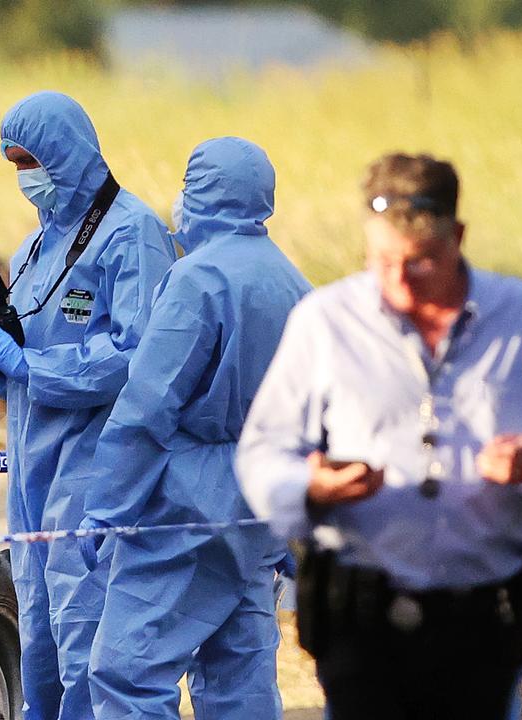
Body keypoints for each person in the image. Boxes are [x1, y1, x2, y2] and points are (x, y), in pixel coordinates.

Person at [236, 153, 522, 720]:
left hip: (486, 614)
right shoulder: (324, 321)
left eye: (421, 262)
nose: (399, 284)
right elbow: (263, 454)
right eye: (381, 261)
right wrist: (310, 485)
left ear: (459, 236)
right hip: (358, 613)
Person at [78, 136, 311, 720]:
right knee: (241, 674)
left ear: (205, 191)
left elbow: (148, 404)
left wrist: (107, 502)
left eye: (188, 184)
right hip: (261, 498)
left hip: (187, 504)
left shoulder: (197, 279)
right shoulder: (292, 282)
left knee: (128, 674)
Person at [0, 91, 171, 720]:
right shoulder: (32, 248)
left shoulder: (132, 234)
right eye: (15, 164)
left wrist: (33, 366)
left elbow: (136, 354)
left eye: (33, 161)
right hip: (32, 469)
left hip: (97, 469)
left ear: (67, 153)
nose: (27, 178)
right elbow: (34, 341)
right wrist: (2, 364)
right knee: (40, 646)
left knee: (92, 640)